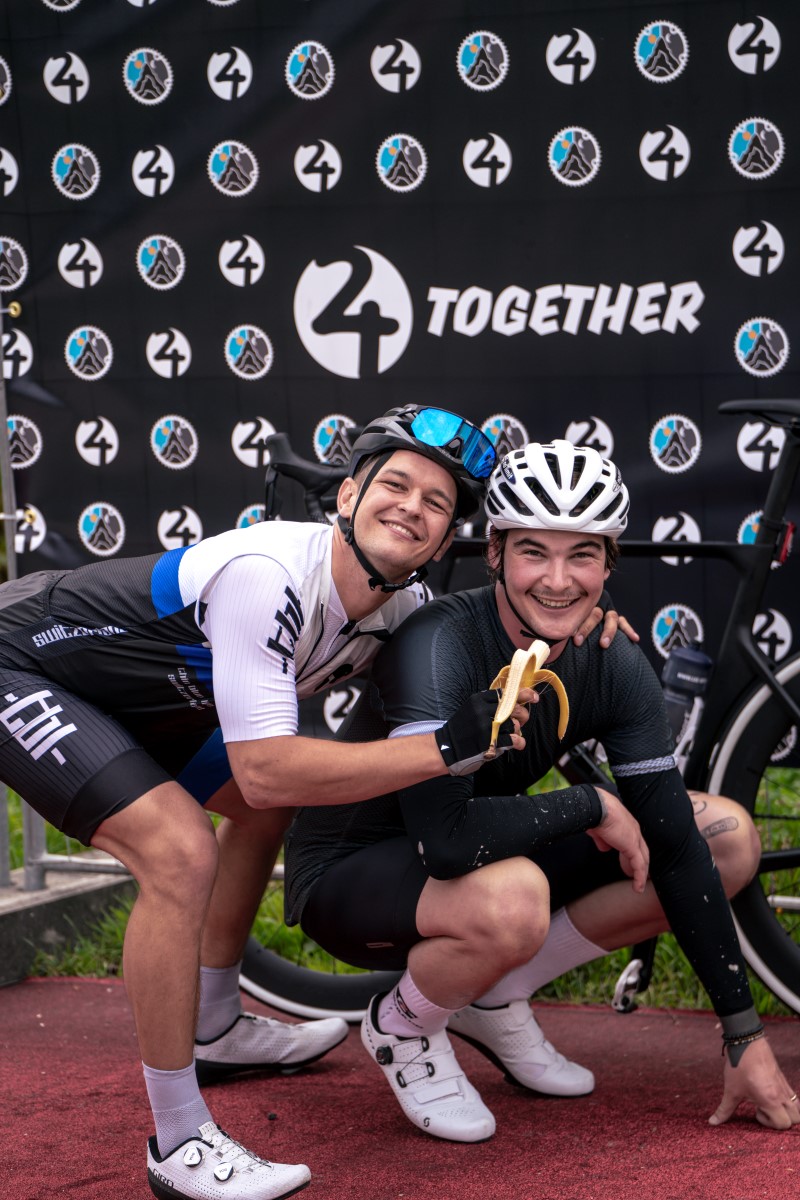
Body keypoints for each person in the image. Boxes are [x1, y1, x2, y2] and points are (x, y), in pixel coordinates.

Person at [2, 407, 623, 1200]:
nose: (412, 507)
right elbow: (263, 770)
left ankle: (215, 1025)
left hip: (142, 701)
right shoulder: (271, 576)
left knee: (258, 817)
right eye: (394, 484)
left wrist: (585, 624)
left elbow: (500, 637)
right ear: (346, 498)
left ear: (445, 542)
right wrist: (441, 748)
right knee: (181, 849)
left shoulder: (396, 609)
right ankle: (179, 1140)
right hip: (22, 664)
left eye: (436, 504)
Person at [284, 438, 799, 1144]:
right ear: (494, 551)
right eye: (533, 552)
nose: (557, 581)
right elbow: (448, 841)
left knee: (723, 836)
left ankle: (492, 992)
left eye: (581, 554)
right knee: (514, 895)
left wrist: (742, 1034)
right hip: (354, 875)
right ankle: (402, 1025)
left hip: (478, 856)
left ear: (609, 563)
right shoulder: (442, 642)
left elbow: (675, 846)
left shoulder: (611, 658)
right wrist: (590, 804)